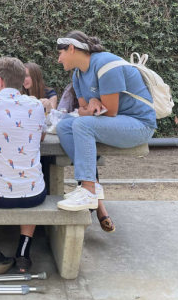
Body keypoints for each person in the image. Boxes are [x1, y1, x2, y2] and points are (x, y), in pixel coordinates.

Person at [55, 30, 157, 232]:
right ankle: (91, 184)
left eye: (60, 53)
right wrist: (92, 102)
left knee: (81, 125)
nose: (58, 60)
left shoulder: (105, 65)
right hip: (116, 123)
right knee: (64, 126)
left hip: (139, 124)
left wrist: (92, 104)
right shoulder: (78, 74)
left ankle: (88, 189)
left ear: (72, 48)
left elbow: (110, 111)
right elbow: (84, 110)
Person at [0, 57, 47, 274]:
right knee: (33, 179)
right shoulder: (36, 104)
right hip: (36, 194)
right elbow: (41, 136)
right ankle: (23, 254)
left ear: (0, 81)